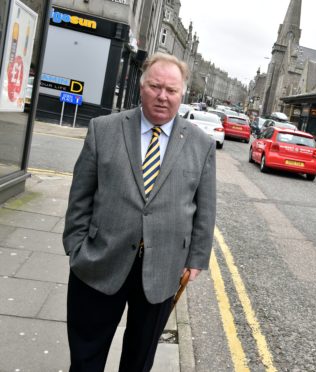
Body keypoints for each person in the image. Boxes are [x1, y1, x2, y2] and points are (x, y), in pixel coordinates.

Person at [63, 52, 216, 371]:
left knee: (139, 361)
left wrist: (196, 260)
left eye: (171, 90)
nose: (163, 96)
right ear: (141, 86)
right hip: (99, 262)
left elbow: (205, 208)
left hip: (163, 270)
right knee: (86, 357)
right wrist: (75, 248)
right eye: (155, 86)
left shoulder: (201, 144)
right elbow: (80, 196)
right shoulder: (103, 129)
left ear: (182, 94)